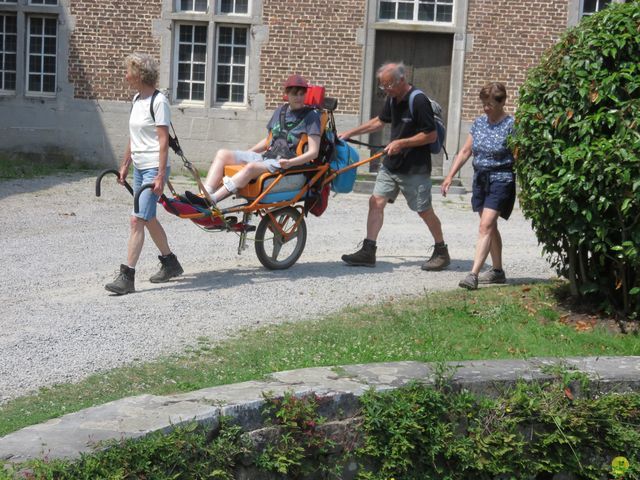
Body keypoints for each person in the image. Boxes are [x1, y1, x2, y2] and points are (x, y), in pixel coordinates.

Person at [340, 62, 450, 270]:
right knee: (376, 202)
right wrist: (351, 133)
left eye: (389, 84)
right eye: (383, 86)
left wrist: (402, 142)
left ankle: (442, 251)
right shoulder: (392, 99)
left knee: (424, 210)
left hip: (415, 168)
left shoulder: (418, 101)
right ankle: (368, 251)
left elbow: (431, 134)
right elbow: (380, 121)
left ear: (402, 79)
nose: (386, 89)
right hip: (392, 165)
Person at [105, 52, 183, 295]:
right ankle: (170, 263)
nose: (125, 75)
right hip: (139, 166)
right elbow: (134, 136)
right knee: (147, 217)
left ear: (139, 74)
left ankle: (127, 276)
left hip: (153, 168)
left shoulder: (158, 102)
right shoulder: (137, 99)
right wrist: (125, 164)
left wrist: (160, 175)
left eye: (129, 71)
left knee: (136, 218)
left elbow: (162, 141)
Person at [185, 74, 321, 207]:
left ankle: (212, 200)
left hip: (284, 162)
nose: (298, 97)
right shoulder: (281, 111)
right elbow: (268, 141)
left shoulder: (311, 116)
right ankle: (205, 194)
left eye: (301, 93)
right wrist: (248, 153)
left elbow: (314, 152)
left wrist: (290, 162)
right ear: (287, 94)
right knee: (223, 153)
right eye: (294, 93)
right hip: (268, 156)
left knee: (251, 167)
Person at [441, 82, 516, 290]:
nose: (486, 108)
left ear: (502, 102)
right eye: (484, 104)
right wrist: (449, 176)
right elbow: (466, 151)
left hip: (501, 179)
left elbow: (520, 155)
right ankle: (498, 272)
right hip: (480, 179)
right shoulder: (479, 123)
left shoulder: (511, 125)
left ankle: (472, 275)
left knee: (485, 226)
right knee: (490, 226)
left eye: (490, 104)